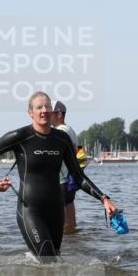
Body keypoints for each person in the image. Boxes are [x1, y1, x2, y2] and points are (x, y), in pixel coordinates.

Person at [0, 91, 118, 260]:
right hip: (30, 210)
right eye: (39, 107)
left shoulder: (62, 139)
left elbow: (78, 176)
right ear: (31, 113)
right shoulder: (21, 137)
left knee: (55, 261)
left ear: (53, 112)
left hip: (56, 210)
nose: (44, 110)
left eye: (48, 107)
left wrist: (104, 199)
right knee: (49, 260)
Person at [51, 100, 80, 234]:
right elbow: (81, 156)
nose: (47, 115)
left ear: (59, 114)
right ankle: (71, 236)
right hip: (70, 179)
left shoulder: (60, 132)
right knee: (70, 207)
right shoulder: (71, 130)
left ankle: (65, 238)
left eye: (51, 113)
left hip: (61, 178)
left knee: (59, 223)